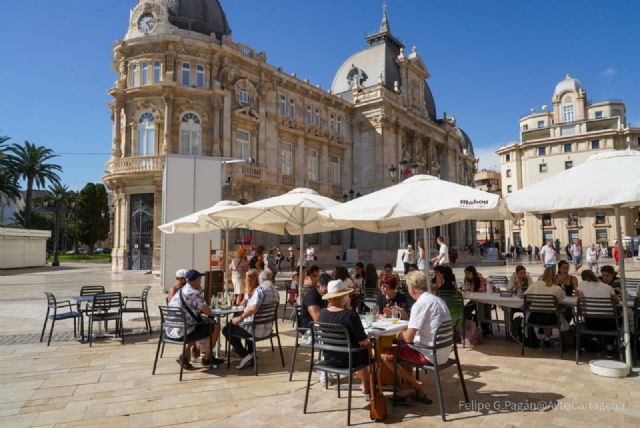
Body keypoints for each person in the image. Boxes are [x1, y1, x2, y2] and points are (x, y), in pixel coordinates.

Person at [380, 271, 450, 403]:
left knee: (385, 354)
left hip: (430, 354)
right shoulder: (438, 300)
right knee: (405, 349)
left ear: (411, 288)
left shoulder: (420, 304)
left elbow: (408, 338)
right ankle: (409, 388)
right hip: (443, 351)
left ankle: (416, 384)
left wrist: (400, 335)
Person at [319, 279, 371, 400]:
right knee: (367, 349)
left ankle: (365, 383)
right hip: (350, 360)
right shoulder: (350, 315)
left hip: (330, 358)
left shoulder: (322, 314)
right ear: (343, 297)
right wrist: (370, 345)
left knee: (361, 349)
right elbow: (363, 340)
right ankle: (367, 386)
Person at [224, 269, 280, 369]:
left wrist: (240, 317)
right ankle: (251, 354)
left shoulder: (260, 290)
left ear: (260, 279)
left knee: (227, 329)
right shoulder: (275, 291)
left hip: (255, 330)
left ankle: (245, 356)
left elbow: (253, 308)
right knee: (244, 323)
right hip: (268, 330)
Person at [167, 270, 224, 368]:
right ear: (194, 281)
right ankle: (207, 358)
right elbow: (208, 312)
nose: (200, 283)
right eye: (199, 280)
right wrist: (200, 293)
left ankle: (185, 356)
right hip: (183, 332)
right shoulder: (194, 293)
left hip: (170, 330)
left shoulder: (182, 290)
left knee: (199, 324)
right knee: (216, 326)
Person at [576, 269, 620, 352]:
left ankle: (594, 340)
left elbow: (576, 294)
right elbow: (617, 301)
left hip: (591, 322)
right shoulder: (607, 287)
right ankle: (609, 346)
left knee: (594, 316)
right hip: (608, 324)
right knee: (617, 318)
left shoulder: (583, 285)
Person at [523, 267, 564, 346]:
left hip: (534, 318)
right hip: (550, 319)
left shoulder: (535, 284)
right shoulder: (557, 288)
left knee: (544, 311)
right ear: (555, 276)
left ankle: (543, 338)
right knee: (551, 312)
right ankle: (548, 339)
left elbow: (526, 296)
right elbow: (560, 302)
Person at [462, 266, 491, 336]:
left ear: (473, 273)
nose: (467, 275)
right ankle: (473, 324)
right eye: (465, 274)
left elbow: (483, 289)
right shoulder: (468, 281)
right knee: (466, 309)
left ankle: (484, 328)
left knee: (483, 309)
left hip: (484, 301)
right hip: (474, 301)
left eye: (468, 273)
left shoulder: (481, 280)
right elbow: (465, 289)